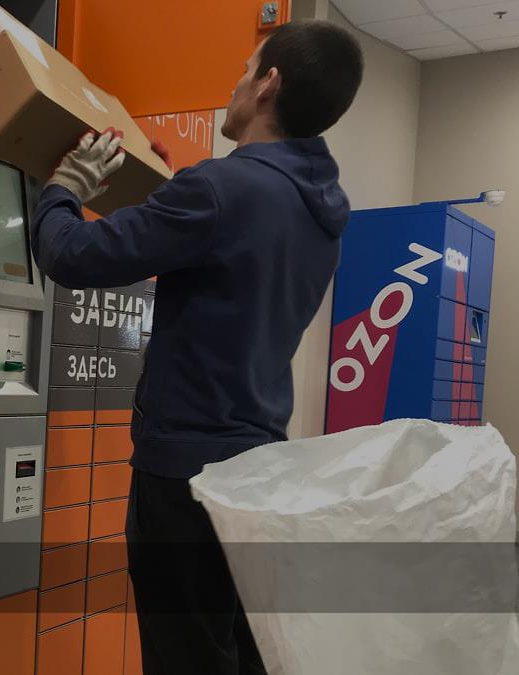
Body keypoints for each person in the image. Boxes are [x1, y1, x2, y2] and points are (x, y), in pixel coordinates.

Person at [30, 20, 365, 675]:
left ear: (268, 84)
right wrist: (159, 186)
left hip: (185, 475)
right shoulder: (319, 212)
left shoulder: (220, 190)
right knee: (237, 653)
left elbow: (69, 254)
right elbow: (224, 252)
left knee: (185, 657)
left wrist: (63, 186)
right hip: (258, 469)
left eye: (246, 69)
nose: (235, 84)